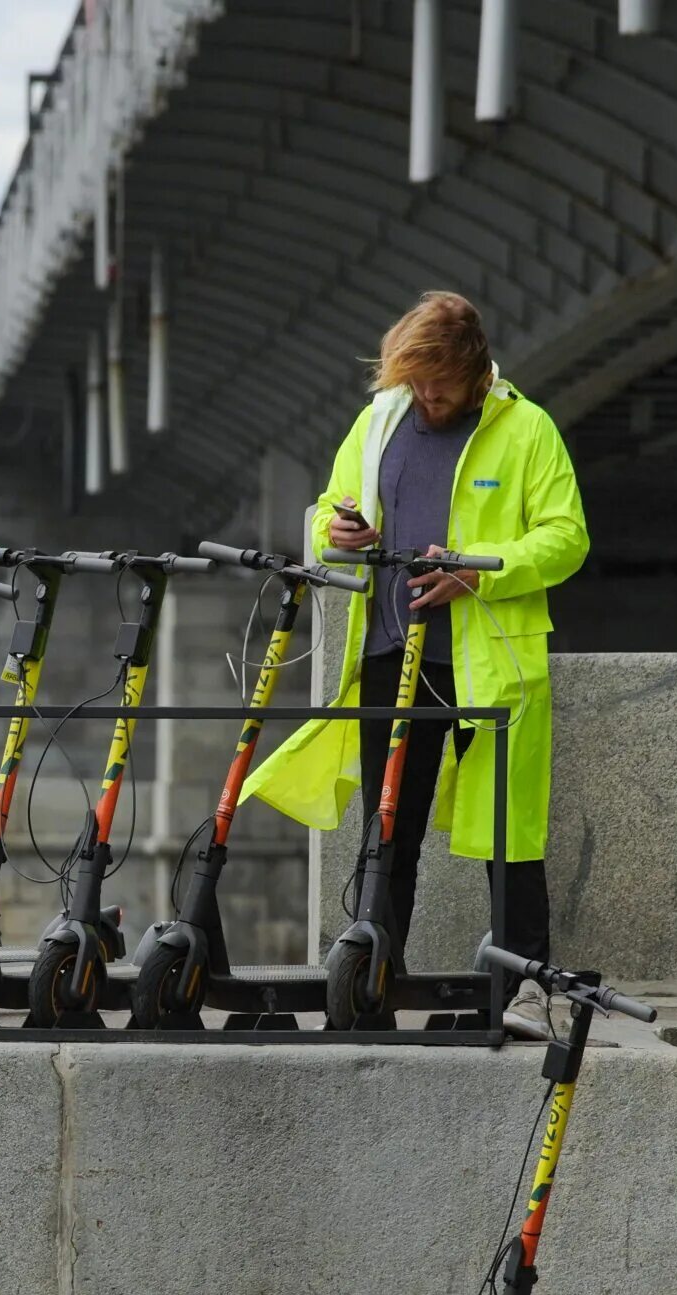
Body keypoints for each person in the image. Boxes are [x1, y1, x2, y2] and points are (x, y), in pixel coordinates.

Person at [245, 291, 588, 1024]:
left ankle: (529, 979)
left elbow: (567, 538)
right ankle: (374, 967)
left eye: (438, 381)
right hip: (390, 648)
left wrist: (480, 570)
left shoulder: (527, 429)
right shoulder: (379, 422)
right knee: (388, 821)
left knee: (510, 828)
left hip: (489, 663)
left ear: (474, 369)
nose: (426, 395)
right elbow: (325, 516)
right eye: (414, 380)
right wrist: (337, 534)